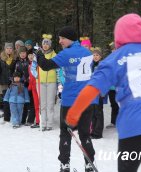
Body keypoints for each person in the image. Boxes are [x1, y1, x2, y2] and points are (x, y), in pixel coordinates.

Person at [65, 13, 141, 172]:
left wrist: (73, 115)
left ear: (119, 35)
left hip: (133, 124)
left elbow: (91, 89)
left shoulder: (115, 58)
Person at [35, 26, 98, 172]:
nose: (60, 41)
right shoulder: (86, 52)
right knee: (84, 133)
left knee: (65, 133)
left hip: (71, 100)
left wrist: (39, 54)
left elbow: (45, 65)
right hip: (87, 99)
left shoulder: (67, 53)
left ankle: (65, 165)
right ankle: (89, 163)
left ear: (69, 38)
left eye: (62, 38)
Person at [37, 34, 57, 131]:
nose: (45, 45)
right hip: (40, 82)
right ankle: (43, 123)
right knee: (43, 104)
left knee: (50, 103)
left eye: (47, 44)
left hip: (51, 81)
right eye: (44, 44)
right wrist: (36, 76)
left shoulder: (54, 55)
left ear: (50, 45)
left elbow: (58, 69)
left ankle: (49, 123)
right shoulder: (39, 54)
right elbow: (33, 68)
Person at [0, 42, 17, 123]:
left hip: (12, 82)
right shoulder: (1, 59)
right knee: (5, 100)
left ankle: (12, 115)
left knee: (12, 99)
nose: (9, 50)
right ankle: (6, 118)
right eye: (7, 48)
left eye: (10, 48)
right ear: (5, 49)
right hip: (3, 82)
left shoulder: (15, 58)